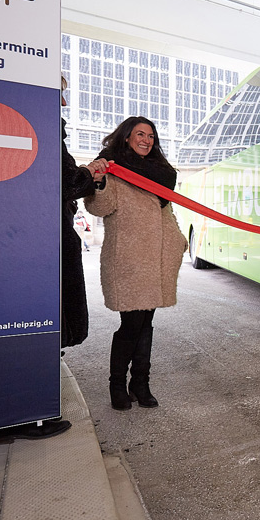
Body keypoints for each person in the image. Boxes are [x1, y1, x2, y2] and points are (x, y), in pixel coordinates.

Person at [0, 76, 110, 444]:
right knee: (42, 329)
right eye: (59, 92)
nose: (64, 102)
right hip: (42, 246)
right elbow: (59, 183)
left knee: (32, 331)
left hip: (25, 244)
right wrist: (90, 174)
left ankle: (10, 419)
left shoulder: (23, 128)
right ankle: (28, 416)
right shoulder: (40, 132)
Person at [85, 117, 188, 410]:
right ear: (127, 137)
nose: (146, 140)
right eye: (140, 134)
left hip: (158, 260)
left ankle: (140, 384)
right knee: (131, 325)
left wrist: (178, 239)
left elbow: (166, 212)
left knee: (146, 323)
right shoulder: (112, 167)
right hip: (129, 261)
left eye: (151, 136)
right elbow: (99, 207)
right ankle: (117, 385)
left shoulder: (161, 174)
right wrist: (100, 182)